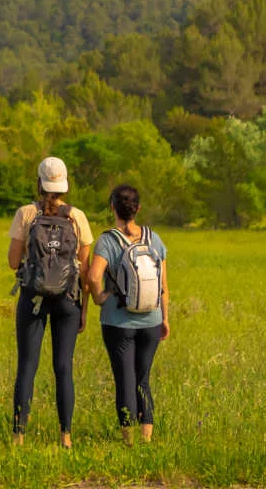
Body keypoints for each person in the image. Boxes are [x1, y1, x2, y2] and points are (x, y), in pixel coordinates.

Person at [6, 156, 94, 447]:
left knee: (27, 366)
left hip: (33, 297)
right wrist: (83, 310)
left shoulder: (25, 214)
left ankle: (19, 435)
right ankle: (65, 436)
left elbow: (12, 262)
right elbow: (84, 269)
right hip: (68, 300)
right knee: (63, 367)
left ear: (39, 183)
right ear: (65, 185)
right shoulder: (77, 217)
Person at [86, 183, 171, 445]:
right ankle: (146, 439)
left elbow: (92, 275)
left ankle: (129, 440)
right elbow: (164, 287)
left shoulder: (108, 241)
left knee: (125, 379)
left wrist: (100, 297)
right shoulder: (153, 238)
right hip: (152, 321)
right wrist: (165, 319)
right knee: (142, 379)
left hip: (117, 321)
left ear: (112, 207)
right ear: (138, 208)